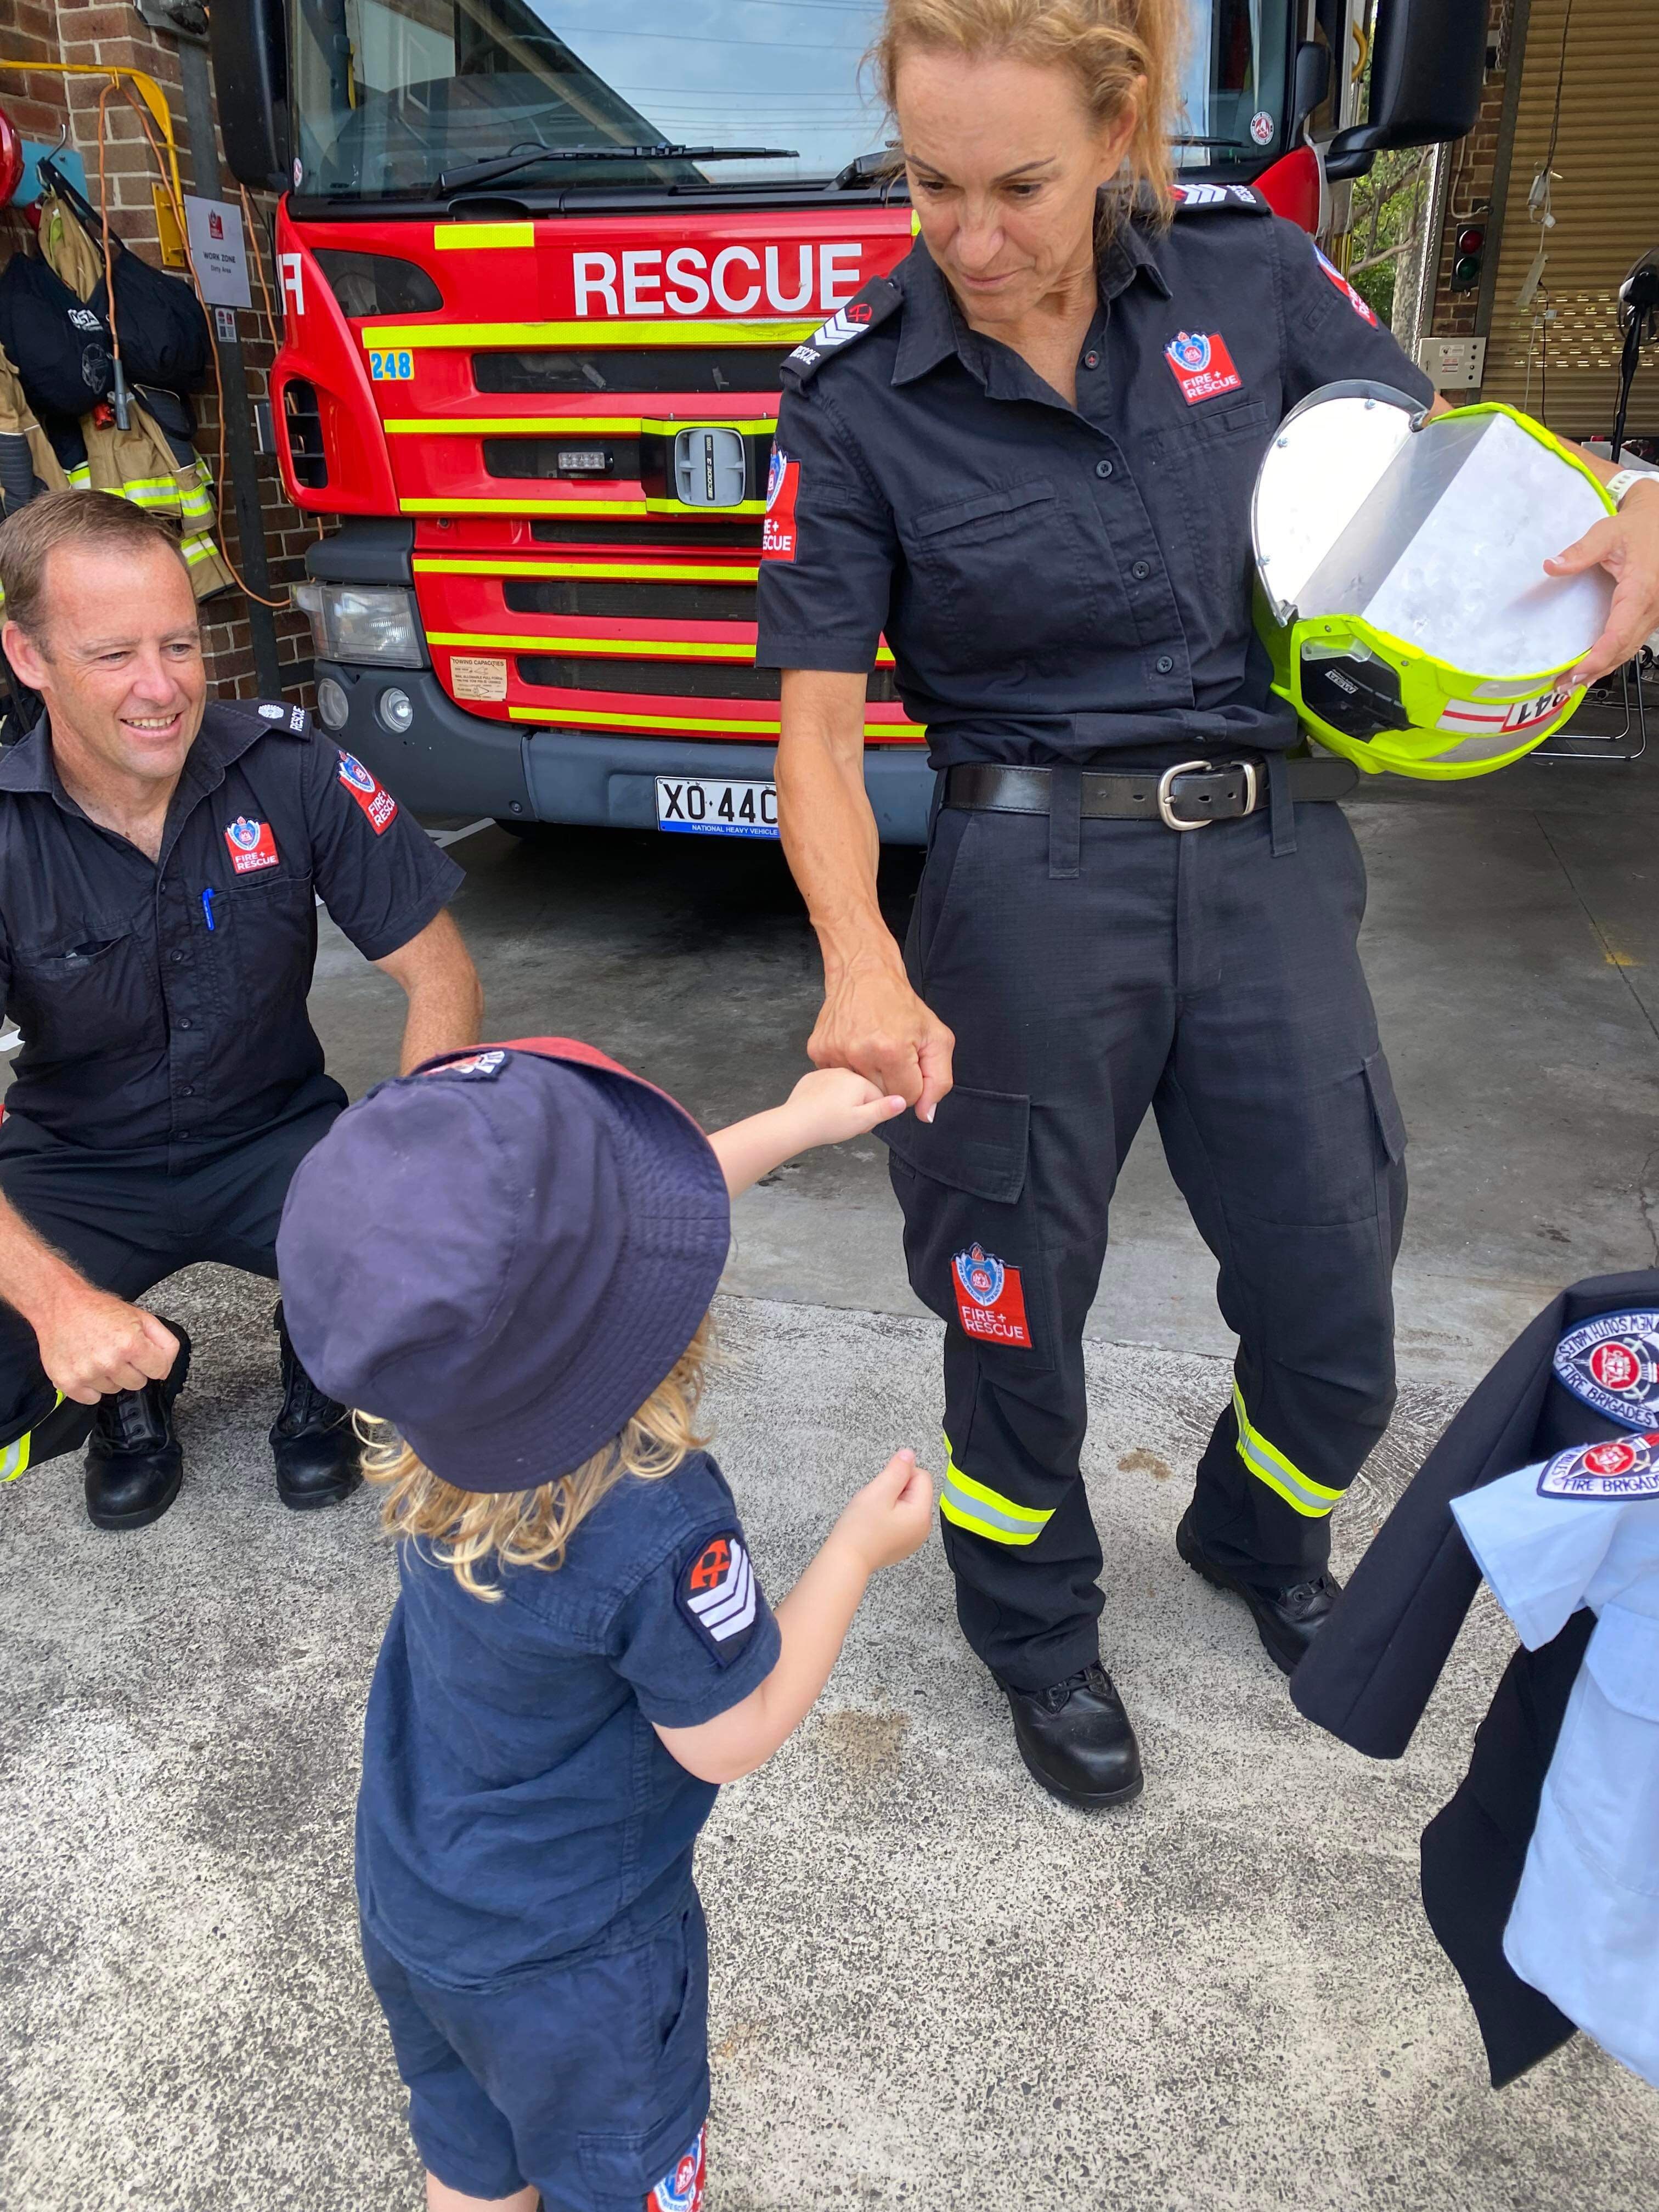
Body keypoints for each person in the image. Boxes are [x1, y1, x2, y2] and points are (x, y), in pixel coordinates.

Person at [756, 0, 1659, 1809]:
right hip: (1024, 890)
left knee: (1333, 1290)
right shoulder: (855, 395)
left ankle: (1254, 1529)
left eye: (1020, 183)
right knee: (1014, 1301)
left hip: (1266, 868)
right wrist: (858, 957)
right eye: (931, 182)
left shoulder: (1252, 284)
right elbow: (819, 728)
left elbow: (1454, 486)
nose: (973, 234)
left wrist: (1633, 494)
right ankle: (1030, 1623)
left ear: (1119, 133)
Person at [274, 1038, 934, 2212]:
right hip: (580, 1966)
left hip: (419, 1901)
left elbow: (561, 1265)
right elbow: (730, 1736)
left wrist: (789, 1124)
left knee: (469, 2155)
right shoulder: (660, 1526)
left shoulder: (427, 1412)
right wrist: (854, 1556)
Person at [0, 490, 482, 1530]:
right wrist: (59, 1305)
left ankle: (321, 1352)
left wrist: (412, 1153)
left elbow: (439, 974)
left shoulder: (290, 768)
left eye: (179, 644)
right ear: (28, 657)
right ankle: (131, 1373)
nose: (160, 687)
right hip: (80, 1162)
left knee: (468, 1281)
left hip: (276, 1140)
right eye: (113, 654)